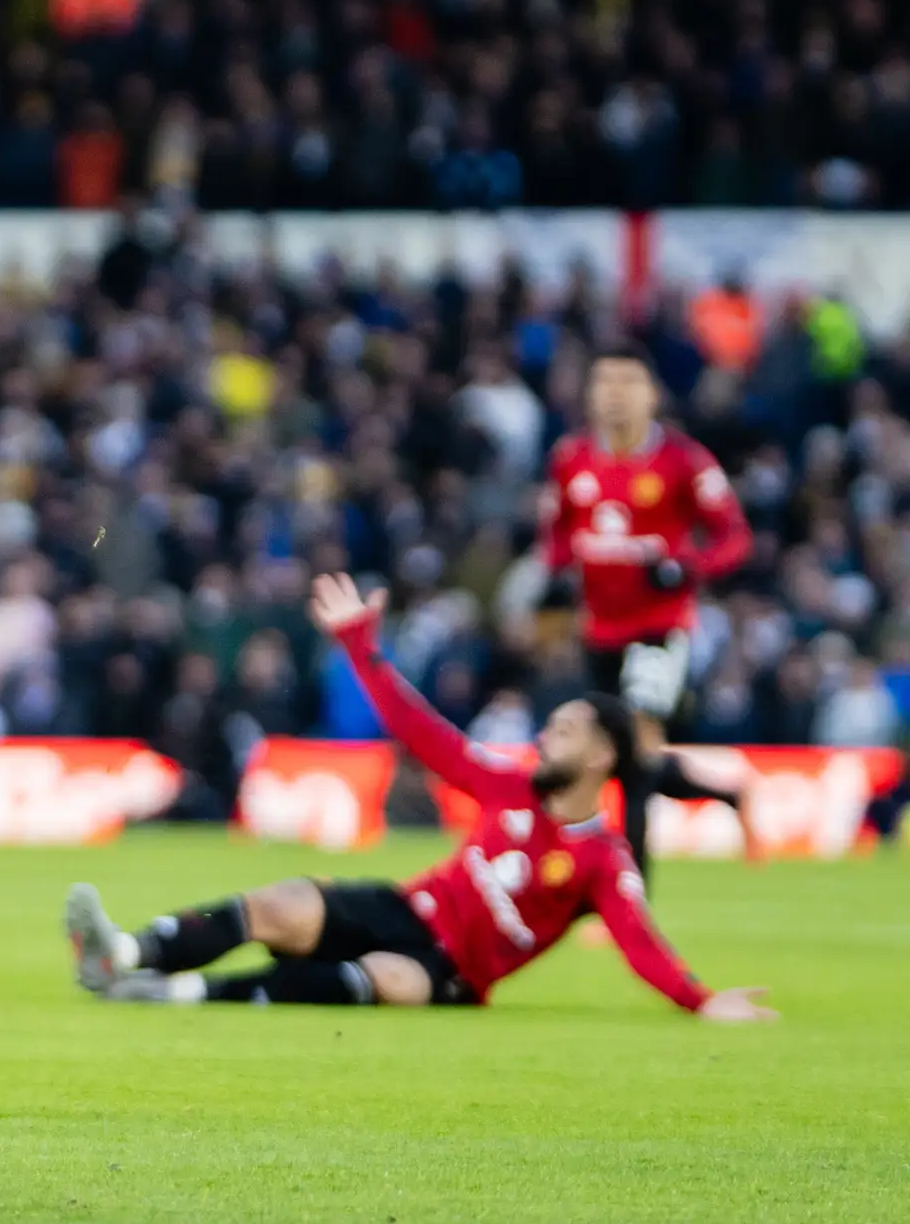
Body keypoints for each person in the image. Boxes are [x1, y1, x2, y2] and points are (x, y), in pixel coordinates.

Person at [64, 571, 768, 1020]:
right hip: (406, 907)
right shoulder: (508, 785)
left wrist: (700, 1001)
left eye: (566, 729)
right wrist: (362, 648)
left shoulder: (603, 860)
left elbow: (639, 942)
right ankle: (121, 955)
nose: (548, 734)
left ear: (602, 755)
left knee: (388, 979)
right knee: (282, 903)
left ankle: (172, 995)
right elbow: (416, 728)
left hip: (452, 970)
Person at [538, 349, 749, 875]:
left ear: (652, 395)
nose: (614, 392)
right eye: (604, 380)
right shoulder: (571, 458)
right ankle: (730, 796)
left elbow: (735, 536)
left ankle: (628, 897)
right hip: (599, 628)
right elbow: (559, 530)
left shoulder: (683, 460)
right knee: (623, 758)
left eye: (628, 381)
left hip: (660, 627)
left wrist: (687, 566)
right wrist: (560, 571)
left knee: (634, 751)